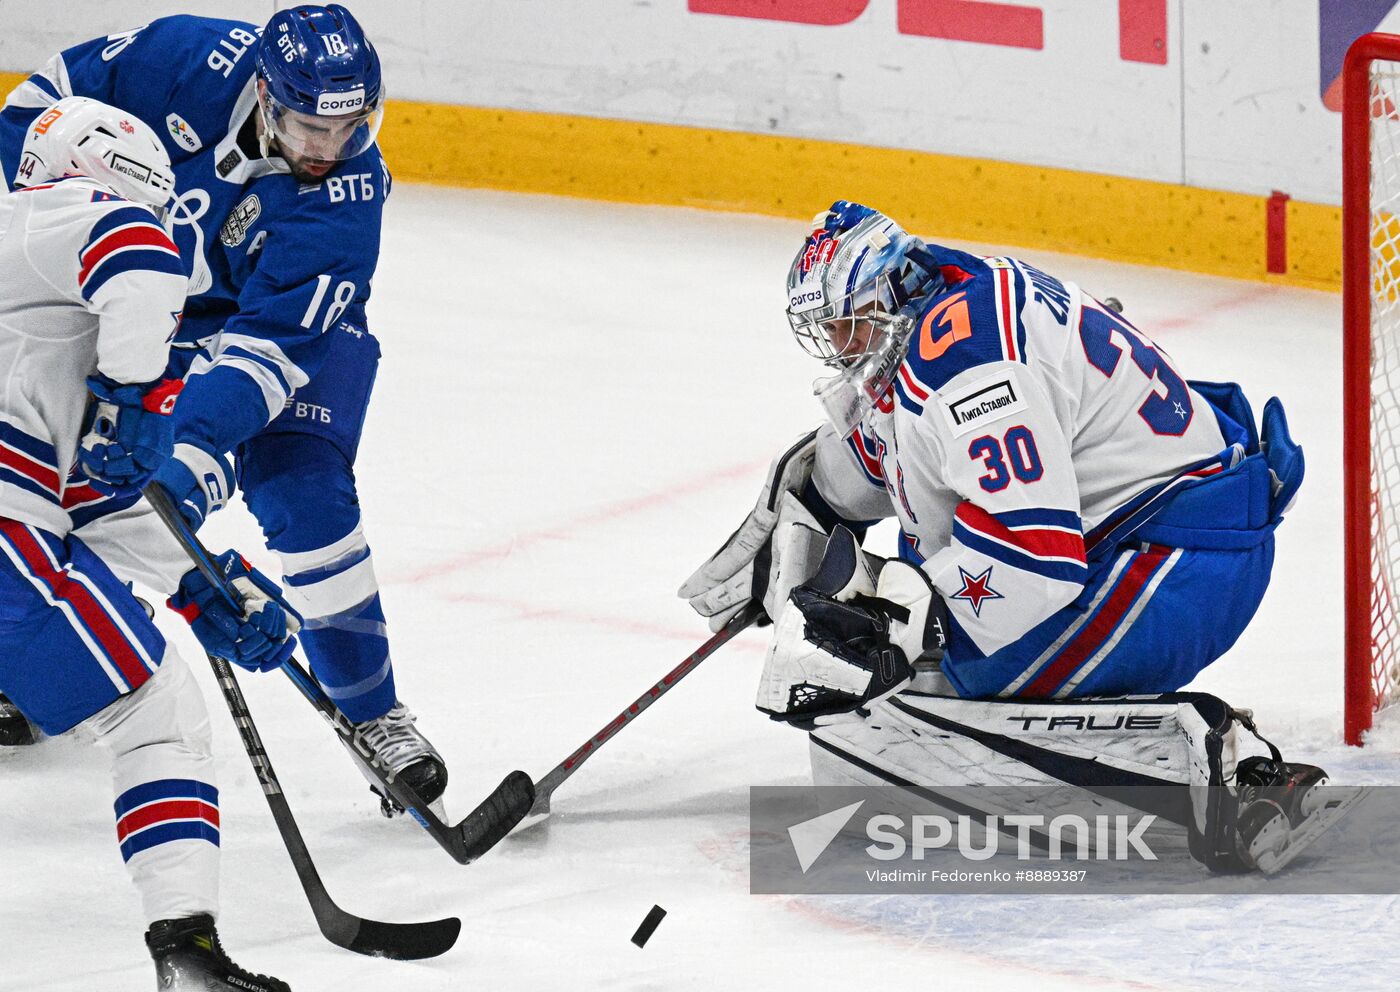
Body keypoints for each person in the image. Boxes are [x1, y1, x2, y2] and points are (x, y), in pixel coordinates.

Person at [680, 200, 1348, 873]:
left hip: (1182, 566)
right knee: (911, 657)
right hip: (1152, 529)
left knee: (949, 682)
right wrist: (811, 500)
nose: (840, 345)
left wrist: (896, 625)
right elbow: (920, 457)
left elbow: (1031, 559)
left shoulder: (970, 370)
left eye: (848, 325)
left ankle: (1232, 778)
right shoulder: (944, 306)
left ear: (891, 294)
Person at [0, 5, 447, 816]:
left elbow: (266, 352)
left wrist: (189, 454)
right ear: (266, 95)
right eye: (311, 126)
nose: (328, 149)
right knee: (63, 467)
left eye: (351, 127)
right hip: (143, 309)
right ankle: (45, 651)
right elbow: (43, 102)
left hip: (292, 334)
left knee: (301, 487)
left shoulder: (347, 193)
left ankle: (375, 716)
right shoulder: (182, 58)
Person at [0, 95, 299, 992]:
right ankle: (189, 954)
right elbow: (137, 255)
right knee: (155, 717)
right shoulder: (48, 217)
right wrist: (134, 394)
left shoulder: (37, 302)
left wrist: (203, 582)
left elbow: (82, 501)